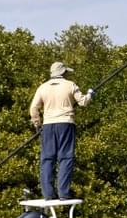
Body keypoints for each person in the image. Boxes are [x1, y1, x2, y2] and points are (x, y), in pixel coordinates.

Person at [29, 61, 93, 200]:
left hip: (48, 125)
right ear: (63, 72)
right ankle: (63, 193)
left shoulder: (42, 87)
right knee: (65, 158)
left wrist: (37, 123)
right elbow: (83, 102)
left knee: (47, 159)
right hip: (65, 123)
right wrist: (90, 94)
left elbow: (34, 108)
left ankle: (48, 194)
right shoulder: (70, 85)